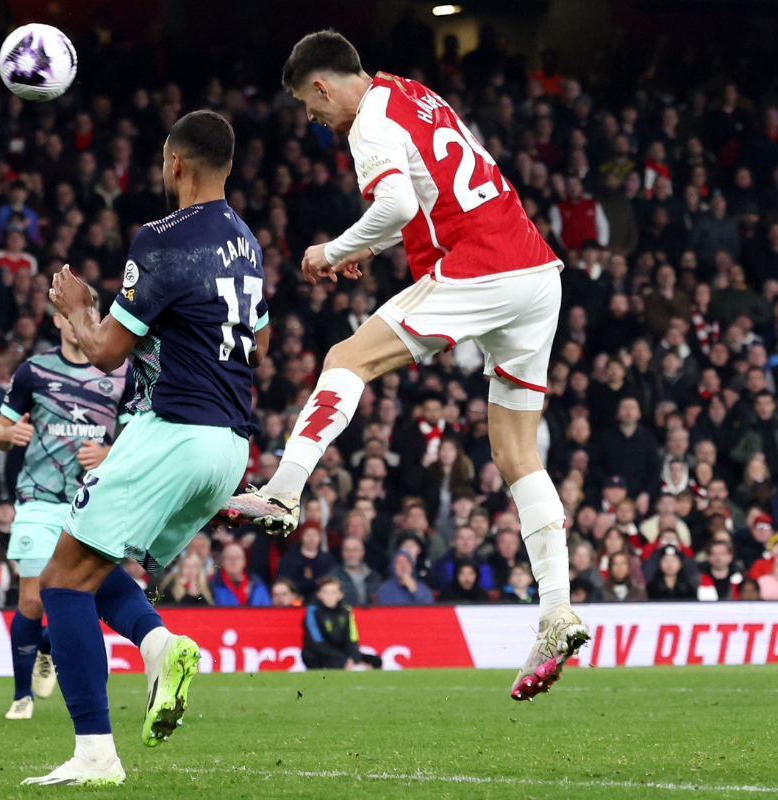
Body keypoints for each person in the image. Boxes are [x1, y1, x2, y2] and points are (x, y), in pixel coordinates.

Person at [220, 31, 587, 701]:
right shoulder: (415, 96)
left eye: (309, 105)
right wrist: (374, 244)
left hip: (483, 267)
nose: (314, 119)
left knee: (345, 358)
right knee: (516, 454)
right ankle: (556, 611)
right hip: (536, 271)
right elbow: (422, 201)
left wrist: (332, 249)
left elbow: (396, 204)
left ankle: (282, 489)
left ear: (324, 86)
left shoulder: (366, 124)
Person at [27, 110, 270, 785]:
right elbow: (263, 343)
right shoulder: (247, 243)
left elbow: (104, 351)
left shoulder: (159, 238)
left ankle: (95, 755)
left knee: (59, 581)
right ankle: (158, 644)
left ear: (175, 165)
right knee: (89, 568)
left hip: (173, 431)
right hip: (229, 447)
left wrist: (78, 304)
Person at [0, 296, 132, 720]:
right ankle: (21, 695)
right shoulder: (34, 370)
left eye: (88, 314)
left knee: (78, 595)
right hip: (39, 498)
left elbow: (138, 437)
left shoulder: (121, 372)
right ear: (58, 320)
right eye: (72, 315)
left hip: (91, 503)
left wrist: (109, 455)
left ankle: (47, 648)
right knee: (32, 600)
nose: (79, 322)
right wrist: (6, 435)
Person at [301, 577, 373, 670]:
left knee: (376, 661)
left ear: (340, 595)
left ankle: (355, 666)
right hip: (319, 655)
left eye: (333, 592)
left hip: (341, 652)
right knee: (317, 656)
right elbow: (317, 642)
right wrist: (343, 660)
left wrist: (354, 658)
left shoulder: (346, 611)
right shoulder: (313, 612)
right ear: (319, 594)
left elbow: (351, 639)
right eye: (326, 592)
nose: (330, 596)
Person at [210, 543, 272, 607]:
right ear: (222, 562)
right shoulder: (212, 584)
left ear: (244, 561)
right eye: (229, 558)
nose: (233, 562)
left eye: (237, 558)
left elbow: (267, 609)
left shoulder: (257, 583)